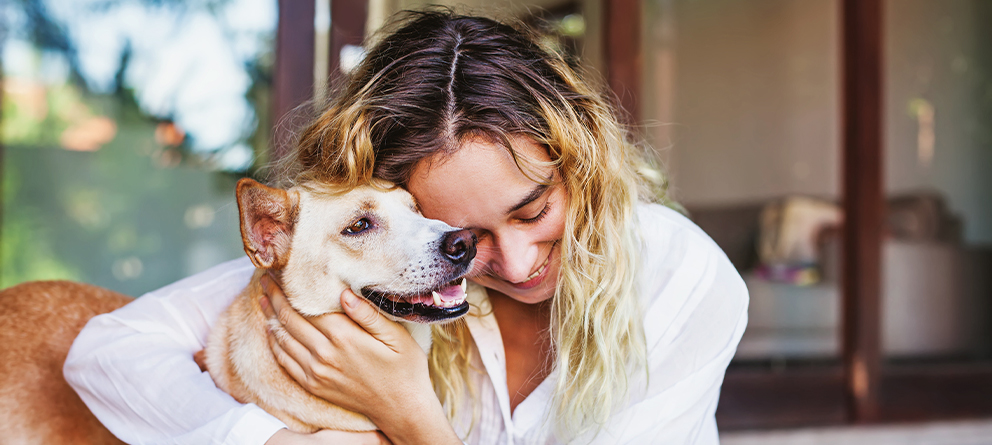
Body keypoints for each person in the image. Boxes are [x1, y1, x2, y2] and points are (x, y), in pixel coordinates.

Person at [64, 10, 748, 445]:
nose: (513, 263)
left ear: (580, 163)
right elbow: (108, 352)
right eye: (460, 236)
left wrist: (406, 409)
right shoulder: (396, 262)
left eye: (534, 209)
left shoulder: (678, 273)